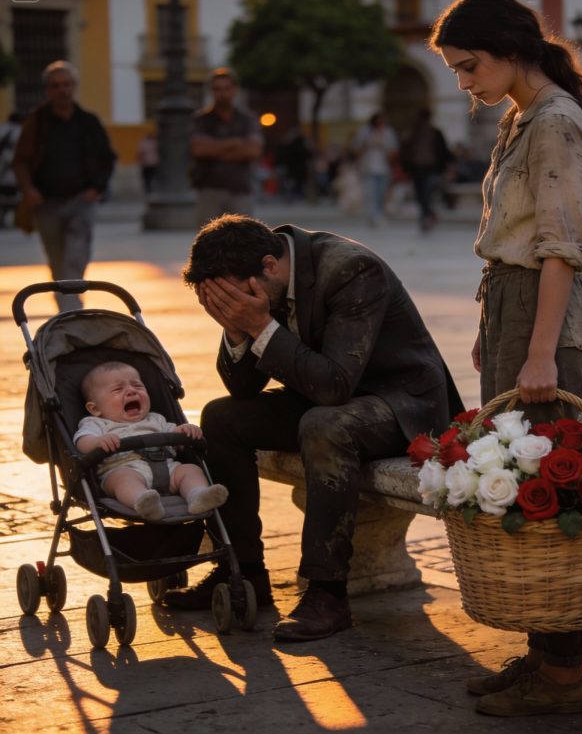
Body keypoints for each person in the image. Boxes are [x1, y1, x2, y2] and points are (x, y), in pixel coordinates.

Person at [429, 0, 582, 717]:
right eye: (456, 70)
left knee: (548, 496)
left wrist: (539, 353)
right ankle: (542, 656)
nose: (464, 82)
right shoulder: (522, 117)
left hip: (545, 317)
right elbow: (517, 239)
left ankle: (563, 677)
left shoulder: (555, 122)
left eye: (469, 66)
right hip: (514, 307)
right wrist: (491, 323)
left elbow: (559, 248)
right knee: (523, 488)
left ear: (509, 50)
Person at [163, 214, 462, 641]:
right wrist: (236, 328)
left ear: (269, 266)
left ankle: (327, 592)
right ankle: (242, 572)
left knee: (324, 425)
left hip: (402, 405)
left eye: (231, 298)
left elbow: (334, 385)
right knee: (221, 417)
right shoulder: (258, 279)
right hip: (328, 397)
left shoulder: (352, 270)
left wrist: (259, 325)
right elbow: (243, 388)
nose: (230, 305)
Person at [12, 61, 116, 311]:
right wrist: (29, 189)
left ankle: (71, 311)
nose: (62, 90)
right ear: (47, 90)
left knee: (75, 258)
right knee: (57, 262)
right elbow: (20, 161)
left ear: (74, 86)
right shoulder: (36, 122)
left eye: (67, 84)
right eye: (56, 85)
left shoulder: (88, 121)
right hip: (46, 204)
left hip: (81, 201)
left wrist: (97, 187)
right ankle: (66, 309)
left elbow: (107, 158)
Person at [74, 361, 228, 521]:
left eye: (138, 386)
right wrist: (97, 442)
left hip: (168, 470)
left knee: (190, 470)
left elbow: (178, 440)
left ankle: (197, 495)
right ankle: (143, 502)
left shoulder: (156, 419)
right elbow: (81, 441)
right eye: (118, 389)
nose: (131, 391)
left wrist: (185, 431)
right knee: (123, 479)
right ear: (95, 409)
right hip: (124, 468)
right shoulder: (96, 424)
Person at [190, 67, 263, 228]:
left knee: (244, 238)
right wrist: (234, 143)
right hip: (209, 190)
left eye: (227, 88)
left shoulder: (247, 119)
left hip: (241, 189)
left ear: (234, 90)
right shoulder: (200, 120)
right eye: (217, 89)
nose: (222, 93)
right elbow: (199, 149)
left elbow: (252, 151)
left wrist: (214, 148)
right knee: (208, 239)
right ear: (211, 91)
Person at [400, 107, 454, 232]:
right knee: (421, 195)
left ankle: (426, 216)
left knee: (424, 194)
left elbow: (443, 151)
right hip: (420, 168)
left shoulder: (428, 133)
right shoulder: (417, 133)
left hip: (428, 169)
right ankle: (428, 215)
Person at [352, 112, 398, 227]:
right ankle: (373, 216)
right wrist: (367, 144)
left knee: (381, 194)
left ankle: (379, 214)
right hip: (368, 168)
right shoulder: (364, 132)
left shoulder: (388, 133)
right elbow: (356, 150)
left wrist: (383, 145)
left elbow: (394, 152)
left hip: (384, 169)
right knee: (370, 194)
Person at [135, 131, 159, 195]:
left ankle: (148, 189)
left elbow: (139, 153)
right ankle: (150, 189)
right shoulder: (154, 142)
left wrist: (140, 160)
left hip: (146, 163)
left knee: (147, 177)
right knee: (151, 177)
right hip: (153, 162)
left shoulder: (143, 143)